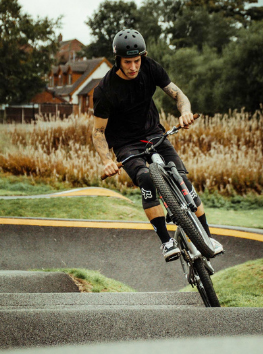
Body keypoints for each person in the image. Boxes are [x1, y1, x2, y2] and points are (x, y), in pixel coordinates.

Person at [92, 29, 223, 262]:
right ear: (118, 61)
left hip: (154, 133)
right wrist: (106, 161)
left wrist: (185, 113)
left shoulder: (150, 68)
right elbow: (98, 131)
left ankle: (207, 237)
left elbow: (178, 94)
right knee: (146, 177)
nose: (134, 67)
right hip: (126, 144)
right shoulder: (105, 89)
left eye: (137, 61)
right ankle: (166, 242)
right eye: (128, 62)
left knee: (183, 179)